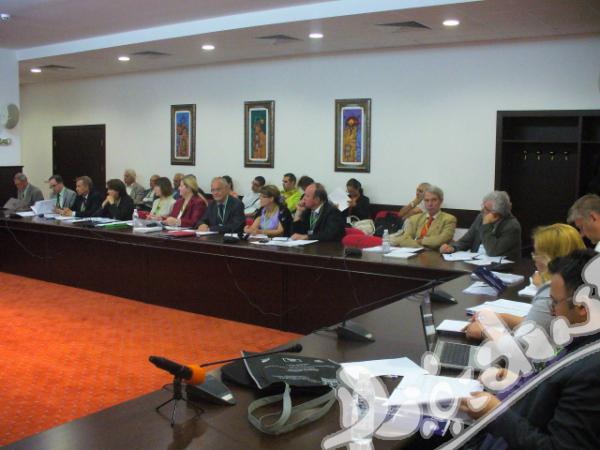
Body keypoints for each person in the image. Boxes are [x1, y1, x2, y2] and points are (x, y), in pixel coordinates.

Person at [460, 249, 600, 450]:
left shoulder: (591, 372)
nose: (551, 311)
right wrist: (518, 382)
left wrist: (495, 414)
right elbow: (553, 394)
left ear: (582, 308)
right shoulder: (581, 338)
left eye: (555, 302)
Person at [465, 223, 585, 339]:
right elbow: (542, 324)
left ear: (548, 258)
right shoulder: (580, 281)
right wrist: (501, 318)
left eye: (536, 254)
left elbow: (524, 345)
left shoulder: (551, 293)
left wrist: (484, 332)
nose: (534, 259)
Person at [440, 191, 522, 261]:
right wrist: (453, 247)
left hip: (501, 268)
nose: (482, 210)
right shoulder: (481, 217)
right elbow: (466, 240)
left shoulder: (512, 226)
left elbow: (492, 251)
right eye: (483, 206)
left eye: (486, 209)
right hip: (476, 263)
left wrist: (486, 225)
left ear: (497, 215)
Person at [389, 185, 456, 249]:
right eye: (427, 200)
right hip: (414, 254)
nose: (430, 204)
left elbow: (440, 241)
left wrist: (419, 241)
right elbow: (405, 240)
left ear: (441, 201)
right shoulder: (414, 218)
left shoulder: (449, 219)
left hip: (434, 255)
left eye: (434, 200)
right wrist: (426, 244)